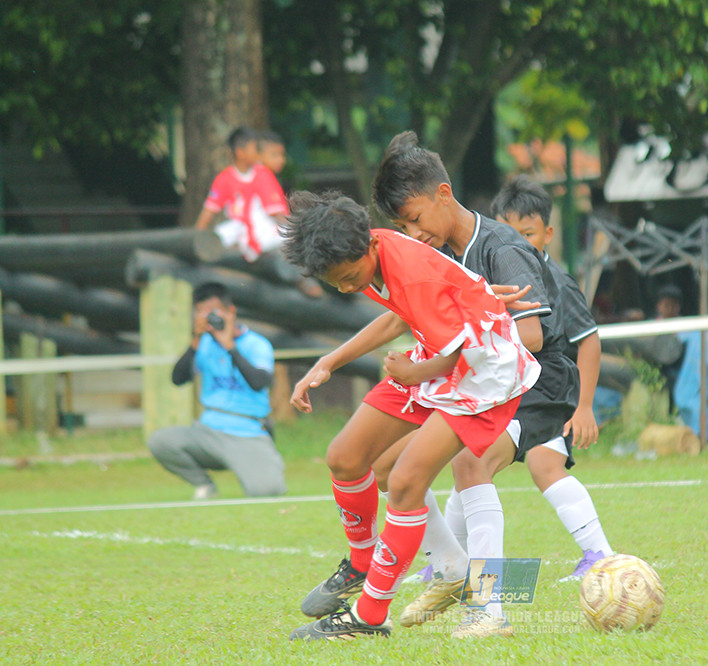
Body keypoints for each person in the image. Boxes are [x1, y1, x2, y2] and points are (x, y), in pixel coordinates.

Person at [281, 189, 540, 641]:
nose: (348, 288)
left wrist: (410, 371)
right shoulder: (373, 247)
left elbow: (457, 354)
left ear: (371, 248)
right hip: (438, 357)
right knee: (346, 456)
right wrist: (328, 362)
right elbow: (398, 318)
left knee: (404, 481)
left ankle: (369, 615)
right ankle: (366, 565)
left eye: (349, 276)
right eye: (336, 283)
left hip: (482, 373)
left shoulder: (409, 270)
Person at [357, 131, 581, 637]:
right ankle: (450, 567)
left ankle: (488, 607)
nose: (412, 233)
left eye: (414, 219)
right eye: (400, 226)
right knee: (387, 467)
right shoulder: (435, 255)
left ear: (443, 193)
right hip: (480, 381)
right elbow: (398, 317)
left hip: (536, 383)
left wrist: (451, 346)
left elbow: (530, 335)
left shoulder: (502, 247)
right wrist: (331, 360)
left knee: (469, 460)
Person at [489, 174, 615, 576]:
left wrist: (585, 408)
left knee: (479, 464)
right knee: (484, 465)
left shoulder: (556, 282)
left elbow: (589, 341)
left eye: (528, 234)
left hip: (548, 386)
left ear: (548, 232)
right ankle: (449, 564)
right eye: (508, 233)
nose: (518, 243)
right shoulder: (495, 274)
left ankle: (459, 571)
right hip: (512, 384)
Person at [147, 282, 285, 499]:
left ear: (231, 312)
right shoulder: (203, 343)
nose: (208, 318)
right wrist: (195, 340)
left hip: (247, 431)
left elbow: (260, 382)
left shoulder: (256, 344)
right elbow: (178, 378)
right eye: (201, 312)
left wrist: (230, 346)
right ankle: (205, 486)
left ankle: (262, 464)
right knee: (161, 441)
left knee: (268, 491)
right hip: (208, 431)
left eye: (212, 312)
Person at [194, 127, 288, 264]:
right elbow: (208, 212)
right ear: (240, 152)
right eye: (255, 148)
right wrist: (195, 240)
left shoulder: (263, 174)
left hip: (264, 229)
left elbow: (276, 213)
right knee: (223, 234)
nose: (258, 152)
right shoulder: (224, 179)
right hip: (237, 230)